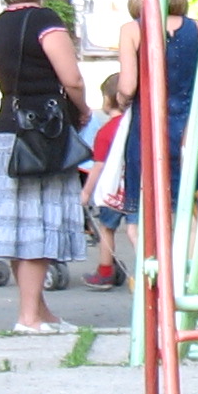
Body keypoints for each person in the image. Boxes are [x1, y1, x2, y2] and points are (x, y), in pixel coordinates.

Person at [0, 0, 90, 331]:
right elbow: (71, 78)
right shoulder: (46, 22)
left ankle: (40, 311)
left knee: (18, 226)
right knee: (37, 226)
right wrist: (83, 109)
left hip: (9, 130)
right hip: (44, 133)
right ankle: (28, 317)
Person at [113, 0, 198, 253]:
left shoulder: (132, 30)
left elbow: (128, 86)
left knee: (140, 218)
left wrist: (121, 100)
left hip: (148, 130)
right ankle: (186, 271)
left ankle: (158, 270)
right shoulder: (197, 29)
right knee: (186, 211)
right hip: (188, 128)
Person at [81, 71, 131, 289]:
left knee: (106, 228)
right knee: (137, 228)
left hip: (113, 189)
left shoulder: (106, 132)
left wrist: (86, 192)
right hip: (136, 186)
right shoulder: (137, 127)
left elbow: (98, 166)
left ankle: (105, 271)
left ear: (109, 99)